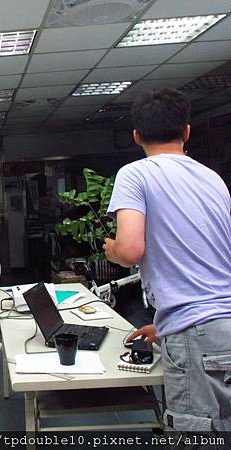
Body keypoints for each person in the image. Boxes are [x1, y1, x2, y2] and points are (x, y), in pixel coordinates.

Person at [104, 88, 231, 432]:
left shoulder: (136, 174)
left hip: (196, 332)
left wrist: (112, 248)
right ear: (186, 131)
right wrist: (164, 327)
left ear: (136, 136)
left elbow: (130, 250)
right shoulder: (213, 180)